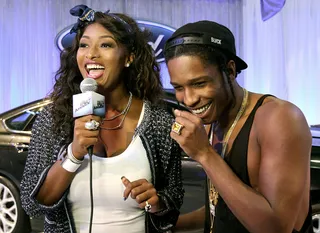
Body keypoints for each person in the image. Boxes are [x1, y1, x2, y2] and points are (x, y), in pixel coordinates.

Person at [20, 4, 184, 233]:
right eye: (84, 45)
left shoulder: (158, 121)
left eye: (105, 45)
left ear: (129, 57)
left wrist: (157, 203)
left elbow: (173, 201)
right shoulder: (53, 119)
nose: (91, 54)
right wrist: (74, 153)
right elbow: (33, 204)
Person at [164, 20, 313, 233]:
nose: (188, 100)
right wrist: (161, 224)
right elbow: (226, 207)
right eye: (179, 87)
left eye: (199, 84)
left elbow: (276, 228)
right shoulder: (213, 121)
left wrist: (205, 154)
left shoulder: (279, 118)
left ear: (230, 70)